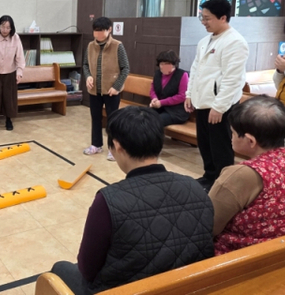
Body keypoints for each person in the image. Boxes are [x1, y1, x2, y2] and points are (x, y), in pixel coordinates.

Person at [50, 106, 214, 294]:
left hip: (126, 290)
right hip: (187, 287)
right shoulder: (196, 187)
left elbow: (87, 270)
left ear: (118, 146)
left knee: (59, 269)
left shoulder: (107, 201)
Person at [209, 96, 285, 255]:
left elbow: (208, 225)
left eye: (233, 133)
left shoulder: (242, 174)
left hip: (245, 259)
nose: (231, 137)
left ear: (250, 141)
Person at [185, 0, 249, 192]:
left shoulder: (235, 42)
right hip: (202, 102)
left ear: (223, 18)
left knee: (220, 147)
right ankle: (209, 176)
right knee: (205, 144)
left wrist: (219, 107)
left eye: (207, 18)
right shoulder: (205, 41)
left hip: (220, 106)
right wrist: (189, 94)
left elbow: (232, 79)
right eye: (202, 18)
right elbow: (195, 70)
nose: (204, 22)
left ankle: (223, 183)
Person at [82, 17, 129, 161]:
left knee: (112, 120)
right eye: (95, 31)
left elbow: (125, 68)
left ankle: (113, 148)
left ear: (109, 30)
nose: (98, 34)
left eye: (101, 31)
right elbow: (85, 65)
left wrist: (117, 86)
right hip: (94, 90)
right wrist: (88, 77)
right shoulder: (90, 46)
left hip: (111, 91)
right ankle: (96, 145)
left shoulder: (117, 46)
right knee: (95, 117)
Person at [149, 50, 190, 127]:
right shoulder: (157, 73)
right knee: (143, 117)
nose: (164, 66)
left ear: (174, 64)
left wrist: (161, 103)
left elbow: (182, 96)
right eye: (162, 64)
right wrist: (154, 99)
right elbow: (152, 89)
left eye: (167, 64)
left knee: (155, 121)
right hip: (159, 107)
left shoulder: (182, 75)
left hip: (176, 111)